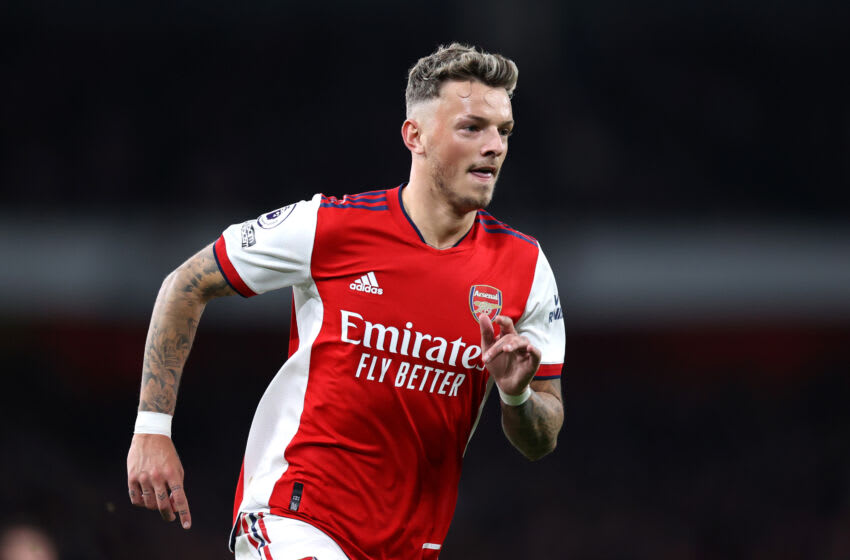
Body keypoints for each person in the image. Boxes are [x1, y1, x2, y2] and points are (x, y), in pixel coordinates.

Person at [127, 42, 565, 560]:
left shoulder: (525, 268)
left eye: (503, 131)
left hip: (410, 543)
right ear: (415, 136)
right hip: (296, 514)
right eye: (472, 127)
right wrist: (151, 430)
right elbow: (186, 282)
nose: (494, 145)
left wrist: (515, 397)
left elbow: (543, 436)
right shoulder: (329, 227)